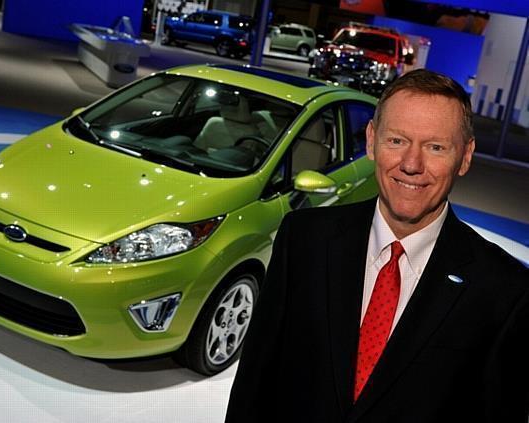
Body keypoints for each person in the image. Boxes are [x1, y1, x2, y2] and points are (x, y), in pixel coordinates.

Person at [225, 69, 529, 422]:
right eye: (397, 141)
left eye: (435, 147)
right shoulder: (303, 240)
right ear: (371, 141)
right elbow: (255, 383)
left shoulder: (505, 292)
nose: (411, 165)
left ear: (464, 156)